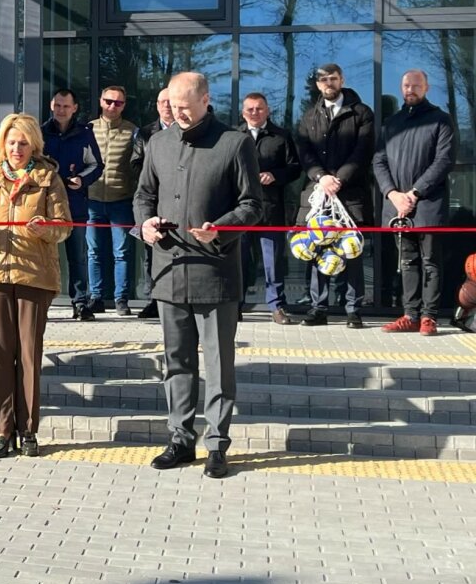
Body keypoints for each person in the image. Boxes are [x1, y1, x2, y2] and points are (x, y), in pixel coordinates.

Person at [135, 73, 262, 479]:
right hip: (169, 271)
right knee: (177, 362)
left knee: (219, 365)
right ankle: (180, 439)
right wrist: (145, 225)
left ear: (206, 100)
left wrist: (220, 228)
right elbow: (143, 195)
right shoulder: (158, 143)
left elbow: (252, 204)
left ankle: (217, 445)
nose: (178, 113)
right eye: (173, 106)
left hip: (215, 273)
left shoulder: (235, 143)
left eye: (186, 106)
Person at [0, 113, 71, 458]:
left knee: (28, 354)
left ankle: (28, 430)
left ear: (34, 144)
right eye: (11, 142)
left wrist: (46, 229)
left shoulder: (48, 177)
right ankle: (2, 430)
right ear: (2, 145)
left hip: (35, 274)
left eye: (23, 143)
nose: (17, 149)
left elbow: (64, 226)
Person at [373, 70, 455, 336]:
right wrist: (392, 194)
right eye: (406, 85)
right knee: (407, 261)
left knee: (430, 261)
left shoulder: (440, 120)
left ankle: (429, 317)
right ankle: (410, 315)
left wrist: (414, 193)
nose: (410, 89)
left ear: (426, 87)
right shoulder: (392, 123)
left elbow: (444, 161)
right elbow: (379, 161)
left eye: (416, 85)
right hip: (397, 206)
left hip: (428, 204)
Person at [295, 63, 375, 328]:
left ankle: (353, 310)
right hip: (319, 193)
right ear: (318, 85)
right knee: (318, 248)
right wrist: (321, 177)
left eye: (332, 78)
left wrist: (339, 179)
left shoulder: (361, 113)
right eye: (323, 80)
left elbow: (363, 151)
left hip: (350, 194)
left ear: (342, 80)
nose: (328, 83)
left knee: (351, 251)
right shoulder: (309, 116)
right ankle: (318, 308)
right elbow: (305, 153)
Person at [238, 93, 301, 325]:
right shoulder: (233, 136)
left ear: (268, 111)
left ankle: (276, 306)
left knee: (272, 261)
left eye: (259, 108)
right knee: (239, 260)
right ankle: (235, 306)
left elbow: (295, 168)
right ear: (243, 113)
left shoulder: (281, 136)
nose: (255, 113)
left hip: (271, 209)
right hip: (240, 210)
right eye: (250, 109)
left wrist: (275, 175)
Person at [42, 89, 103, 321]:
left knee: (77, 257)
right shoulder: (40, 132)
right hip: (45, 206)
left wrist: (82, 180)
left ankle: (80, 302)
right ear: (51, 105)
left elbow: (96, 165)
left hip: (75, 204)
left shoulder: (84, 134)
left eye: (66, 106)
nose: (61, 110)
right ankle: (42, 302)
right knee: (45, 256)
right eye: (57, 105)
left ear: (74, 108)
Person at [86, 85, 139, 316]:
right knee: (94, 252)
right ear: (101, 101)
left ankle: (121, 299)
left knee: (122, 252)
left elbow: (137, 166)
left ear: (124, 105)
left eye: (118, 103)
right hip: (92, 200)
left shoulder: (132, 131)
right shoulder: (88, 129)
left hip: (121, 200)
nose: (112, 106)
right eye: (108, 101)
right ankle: (96, 297)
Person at [130, 87, 176, 319]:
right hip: (154, 201)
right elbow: (135, 163)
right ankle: (153, 300)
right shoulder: (146, 133)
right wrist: (155, 178)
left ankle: (174, 298)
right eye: (161, 102)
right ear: (157, 106)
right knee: (151, 254)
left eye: (170, 101)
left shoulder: (185, 131)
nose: (166, 106)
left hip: (179, 201)